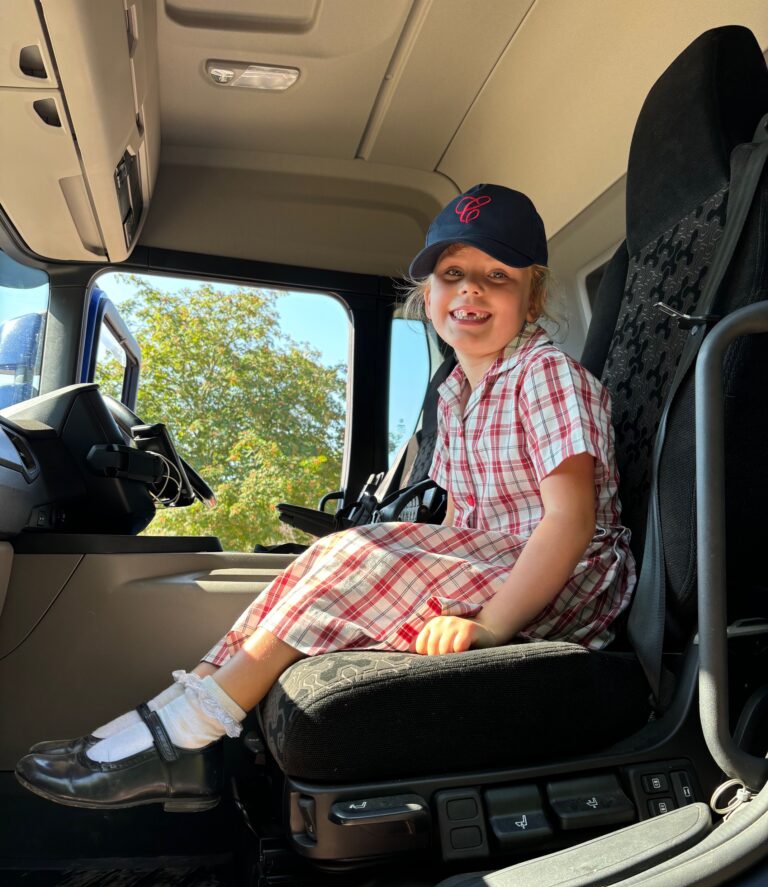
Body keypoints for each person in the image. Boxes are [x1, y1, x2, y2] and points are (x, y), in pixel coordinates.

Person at [15, 184, 636, 812]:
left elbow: (570, 520)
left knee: (359, 552)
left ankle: (189, 732)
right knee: (331, 556)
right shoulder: (456, 397)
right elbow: (460, 522)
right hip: (499, 560)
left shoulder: (547, 374)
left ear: (532, 298)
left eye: (496, 275)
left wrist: (490, 625)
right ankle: (186, 708)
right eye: (453, 273)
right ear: (429, 295)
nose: (471, 289)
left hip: (571, 576)